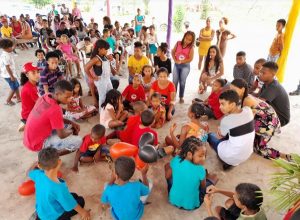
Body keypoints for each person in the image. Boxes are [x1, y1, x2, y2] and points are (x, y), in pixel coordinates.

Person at [231, 78, 291, 161]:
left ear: (242, 89)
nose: (231, 92)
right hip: (266, 119)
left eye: (234, 90)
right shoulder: (245, 96)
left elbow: (246, 120)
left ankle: (284, 156)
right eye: (231, 89)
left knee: (259, 150)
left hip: (269, 124)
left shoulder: (246, 100)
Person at [29, 148, 91, 220]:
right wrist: (84, 212)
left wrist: (37, 164)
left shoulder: (38, 175)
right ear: (59, 162)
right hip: (53, 217)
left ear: (39, 165)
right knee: (81, 201)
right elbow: (70, 205)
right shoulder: (59, 188)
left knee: (73, 195)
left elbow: (30, 172)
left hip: (41, 212)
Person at [24, 80, 82, 155]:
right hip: (38, 144)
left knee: (69, 120)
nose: (70, 99)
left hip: (29, 138)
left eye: (71, 96)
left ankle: (49, 151)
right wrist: (73, 130)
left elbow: (56, 117)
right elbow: (62, 135)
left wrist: (72, 123)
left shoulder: (46, 96)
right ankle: (50, 156)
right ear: (57, 94)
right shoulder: (55, 109)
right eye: (67, 97)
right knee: (78, 141)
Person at [207, 90, 255, 170]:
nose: (220, 107)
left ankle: (225, 160)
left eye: (223, 104)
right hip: (246, 154)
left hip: (229, 156)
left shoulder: (226, 120)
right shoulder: (248, 110)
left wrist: (220, 129)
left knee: (209, 135)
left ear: (232, 104)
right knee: (233, 133)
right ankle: (230, 161)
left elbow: (220, 137)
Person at [165, 137, 212, 210]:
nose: (203, 159)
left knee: (168, 167)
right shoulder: (201, 169)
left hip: (173, 200)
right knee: (213, 178)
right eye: (200, 156)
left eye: (204, 155)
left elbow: (167, 176)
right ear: (189, 154)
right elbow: (203, 187)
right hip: (191, 205)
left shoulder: (176, 159)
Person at [258, 61, 290, 127]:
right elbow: (257, 95)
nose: (260, 74)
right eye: (260, 71)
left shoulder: (273, 87)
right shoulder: (266, 83)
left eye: (263, 73)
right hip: (272, 112)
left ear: (273, 75)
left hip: (281, 119)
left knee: (251, 117)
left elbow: (258, 103)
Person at [84, 39, 113, 107]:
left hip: (107, 79)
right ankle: (102, 112)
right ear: (100, 49)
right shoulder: (96, 59)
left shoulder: (104, 56)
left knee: (111, 94)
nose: (107, 51)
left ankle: (109, 109)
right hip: (101, 81)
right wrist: (92, 77)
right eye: (105, 49)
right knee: (102, 97)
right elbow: (86, 68)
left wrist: (109, 59)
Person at [172, 31, 195, 103]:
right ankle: (173, 96)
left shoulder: (191, 48)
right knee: (174, 81)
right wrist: (175, 60)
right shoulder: (178, 43)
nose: (187, 40)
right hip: (176, 65)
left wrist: (182, 61)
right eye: (186, 38)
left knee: (182, 82)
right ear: (184, 36)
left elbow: (190, 59)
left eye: (189, 40)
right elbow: (173, 52)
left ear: (192, 41)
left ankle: (181, 96)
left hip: (185, 66)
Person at [19, 62, 41, 131]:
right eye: (33, 73)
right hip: (30, 114)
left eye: (38, 72)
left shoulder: (32, 84)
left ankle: (27, 123)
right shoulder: (29, 88)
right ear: (27, 75)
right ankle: (28, 123)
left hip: (29, 112)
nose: (37, 75)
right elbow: (40, 104)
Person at [0, 39, 21, 106]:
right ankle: (8, 100)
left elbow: (12, 48)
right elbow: (7, 67)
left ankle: (18, 98)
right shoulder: (6, 56)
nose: (12, 48)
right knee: (14, 87)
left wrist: (15, 42)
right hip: (8, 75)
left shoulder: (7, 52)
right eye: (10, 47)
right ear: (5, 48)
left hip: (11, 74)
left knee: (16, 85)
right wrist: (11, 76)